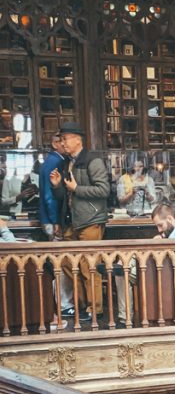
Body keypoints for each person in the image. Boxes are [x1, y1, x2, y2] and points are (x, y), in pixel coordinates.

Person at [50, 123, 110, 320]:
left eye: (65, 138)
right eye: (61, 139)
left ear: (77, 139)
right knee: (67, 262)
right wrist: (58, 186)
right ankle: (83, 306)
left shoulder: (93, 161)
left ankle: (95, 309)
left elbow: (103, 191)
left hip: (90, 221)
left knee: (89, 267)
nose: (62, 143)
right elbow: (63, 196)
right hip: (72, 223)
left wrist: (76, 189)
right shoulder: (68, 163)